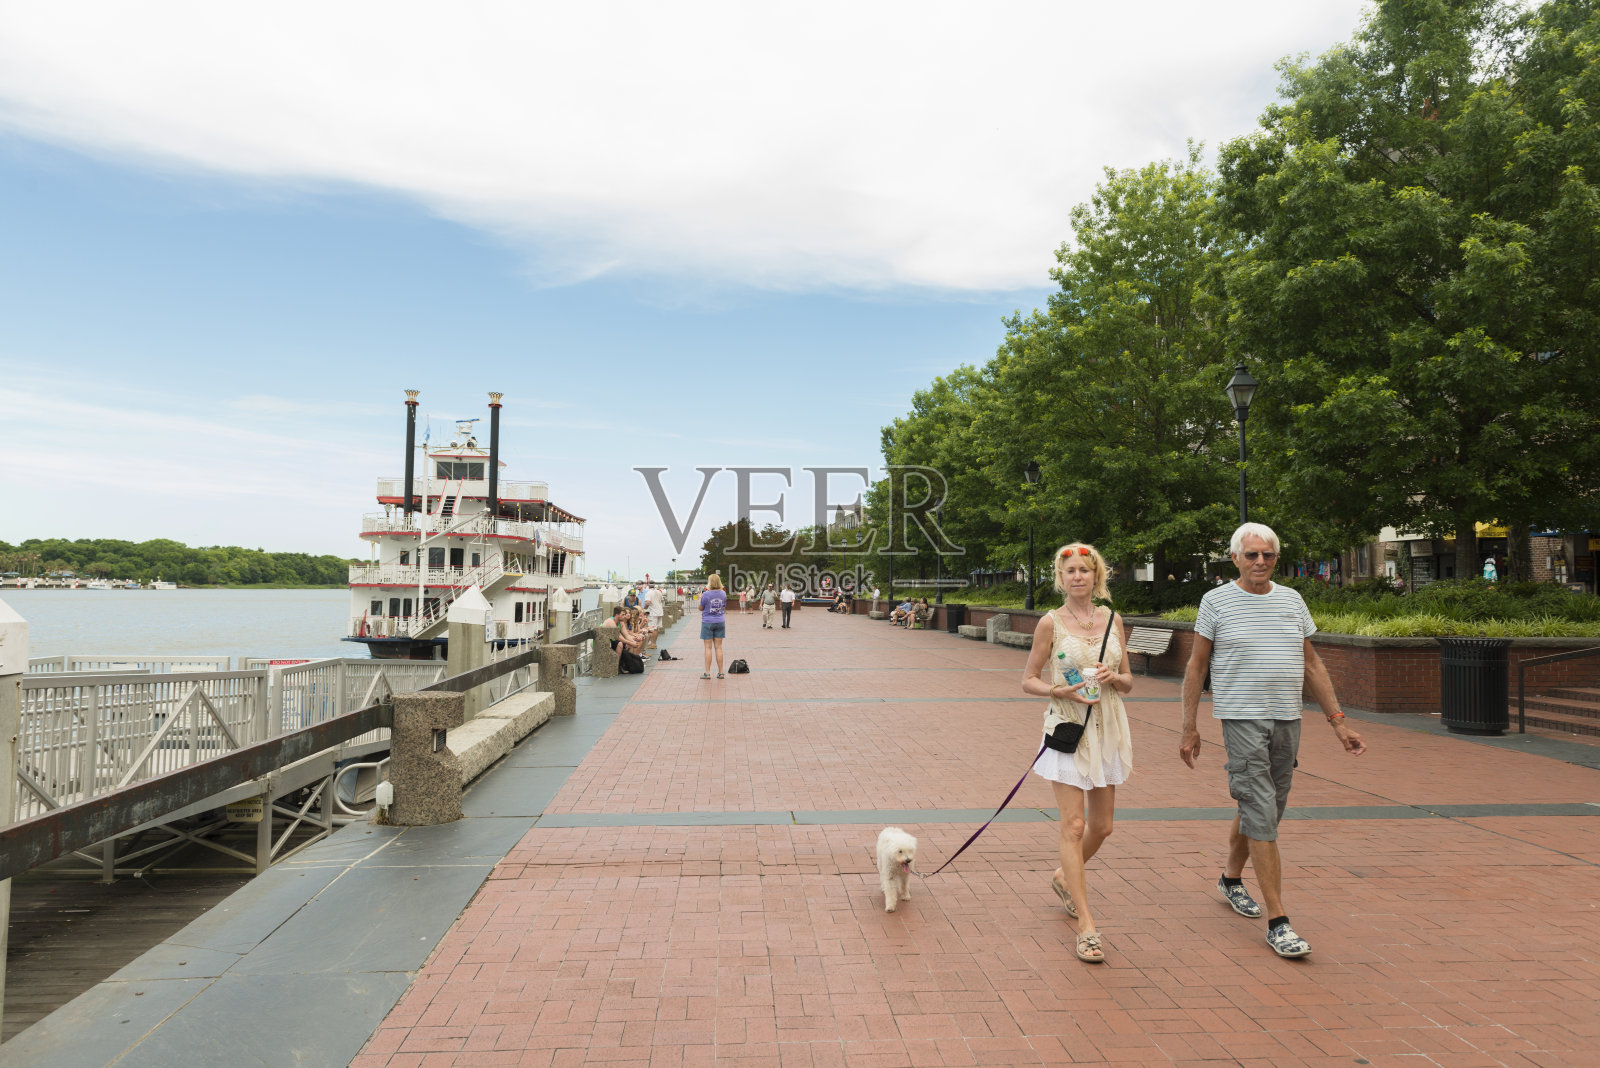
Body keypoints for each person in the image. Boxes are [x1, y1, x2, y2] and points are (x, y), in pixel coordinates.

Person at [1180, 522, 1367, 959]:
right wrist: (1189, 726)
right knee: (1261, 808)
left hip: (1288, 718)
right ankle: (1278, 921)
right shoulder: (1216, 602)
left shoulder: (1291, 600)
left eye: (1267, 555)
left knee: (1265, 807)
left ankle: (1229, 878)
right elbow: (1196, 666)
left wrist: (1338, 722)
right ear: (1235, 559)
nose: (1260, 562)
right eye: (1251, 555)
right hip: (1242, 718)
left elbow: (1313, 665)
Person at [1021, 542, 1134, 965]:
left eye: (1084, 570)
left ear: (1096, 575)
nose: (1077, 577)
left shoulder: (1113, 620)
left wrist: (1113, 677)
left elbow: (1128, 681)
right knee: (1073, 824)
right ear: (1060, 577)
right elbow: (1028, 679)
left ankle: (1062, 876)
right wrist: (1059, 690)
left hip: (1106, 728)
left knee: (1102, 828)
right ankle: (1087, 925)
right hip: (1068, 727)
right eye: (1070, 571)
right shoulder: (1050, 623)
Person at [699, 574, 728, 679]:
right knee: (719, 647)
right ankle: (721, 672)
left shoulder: (706, 594)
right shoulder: (723, 593)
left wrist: (699, 598)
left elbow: (701, 608)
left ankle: (707, 673)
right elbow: (723, 606)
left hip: (707, 622)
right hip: (720, 621)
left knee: (708, 648)